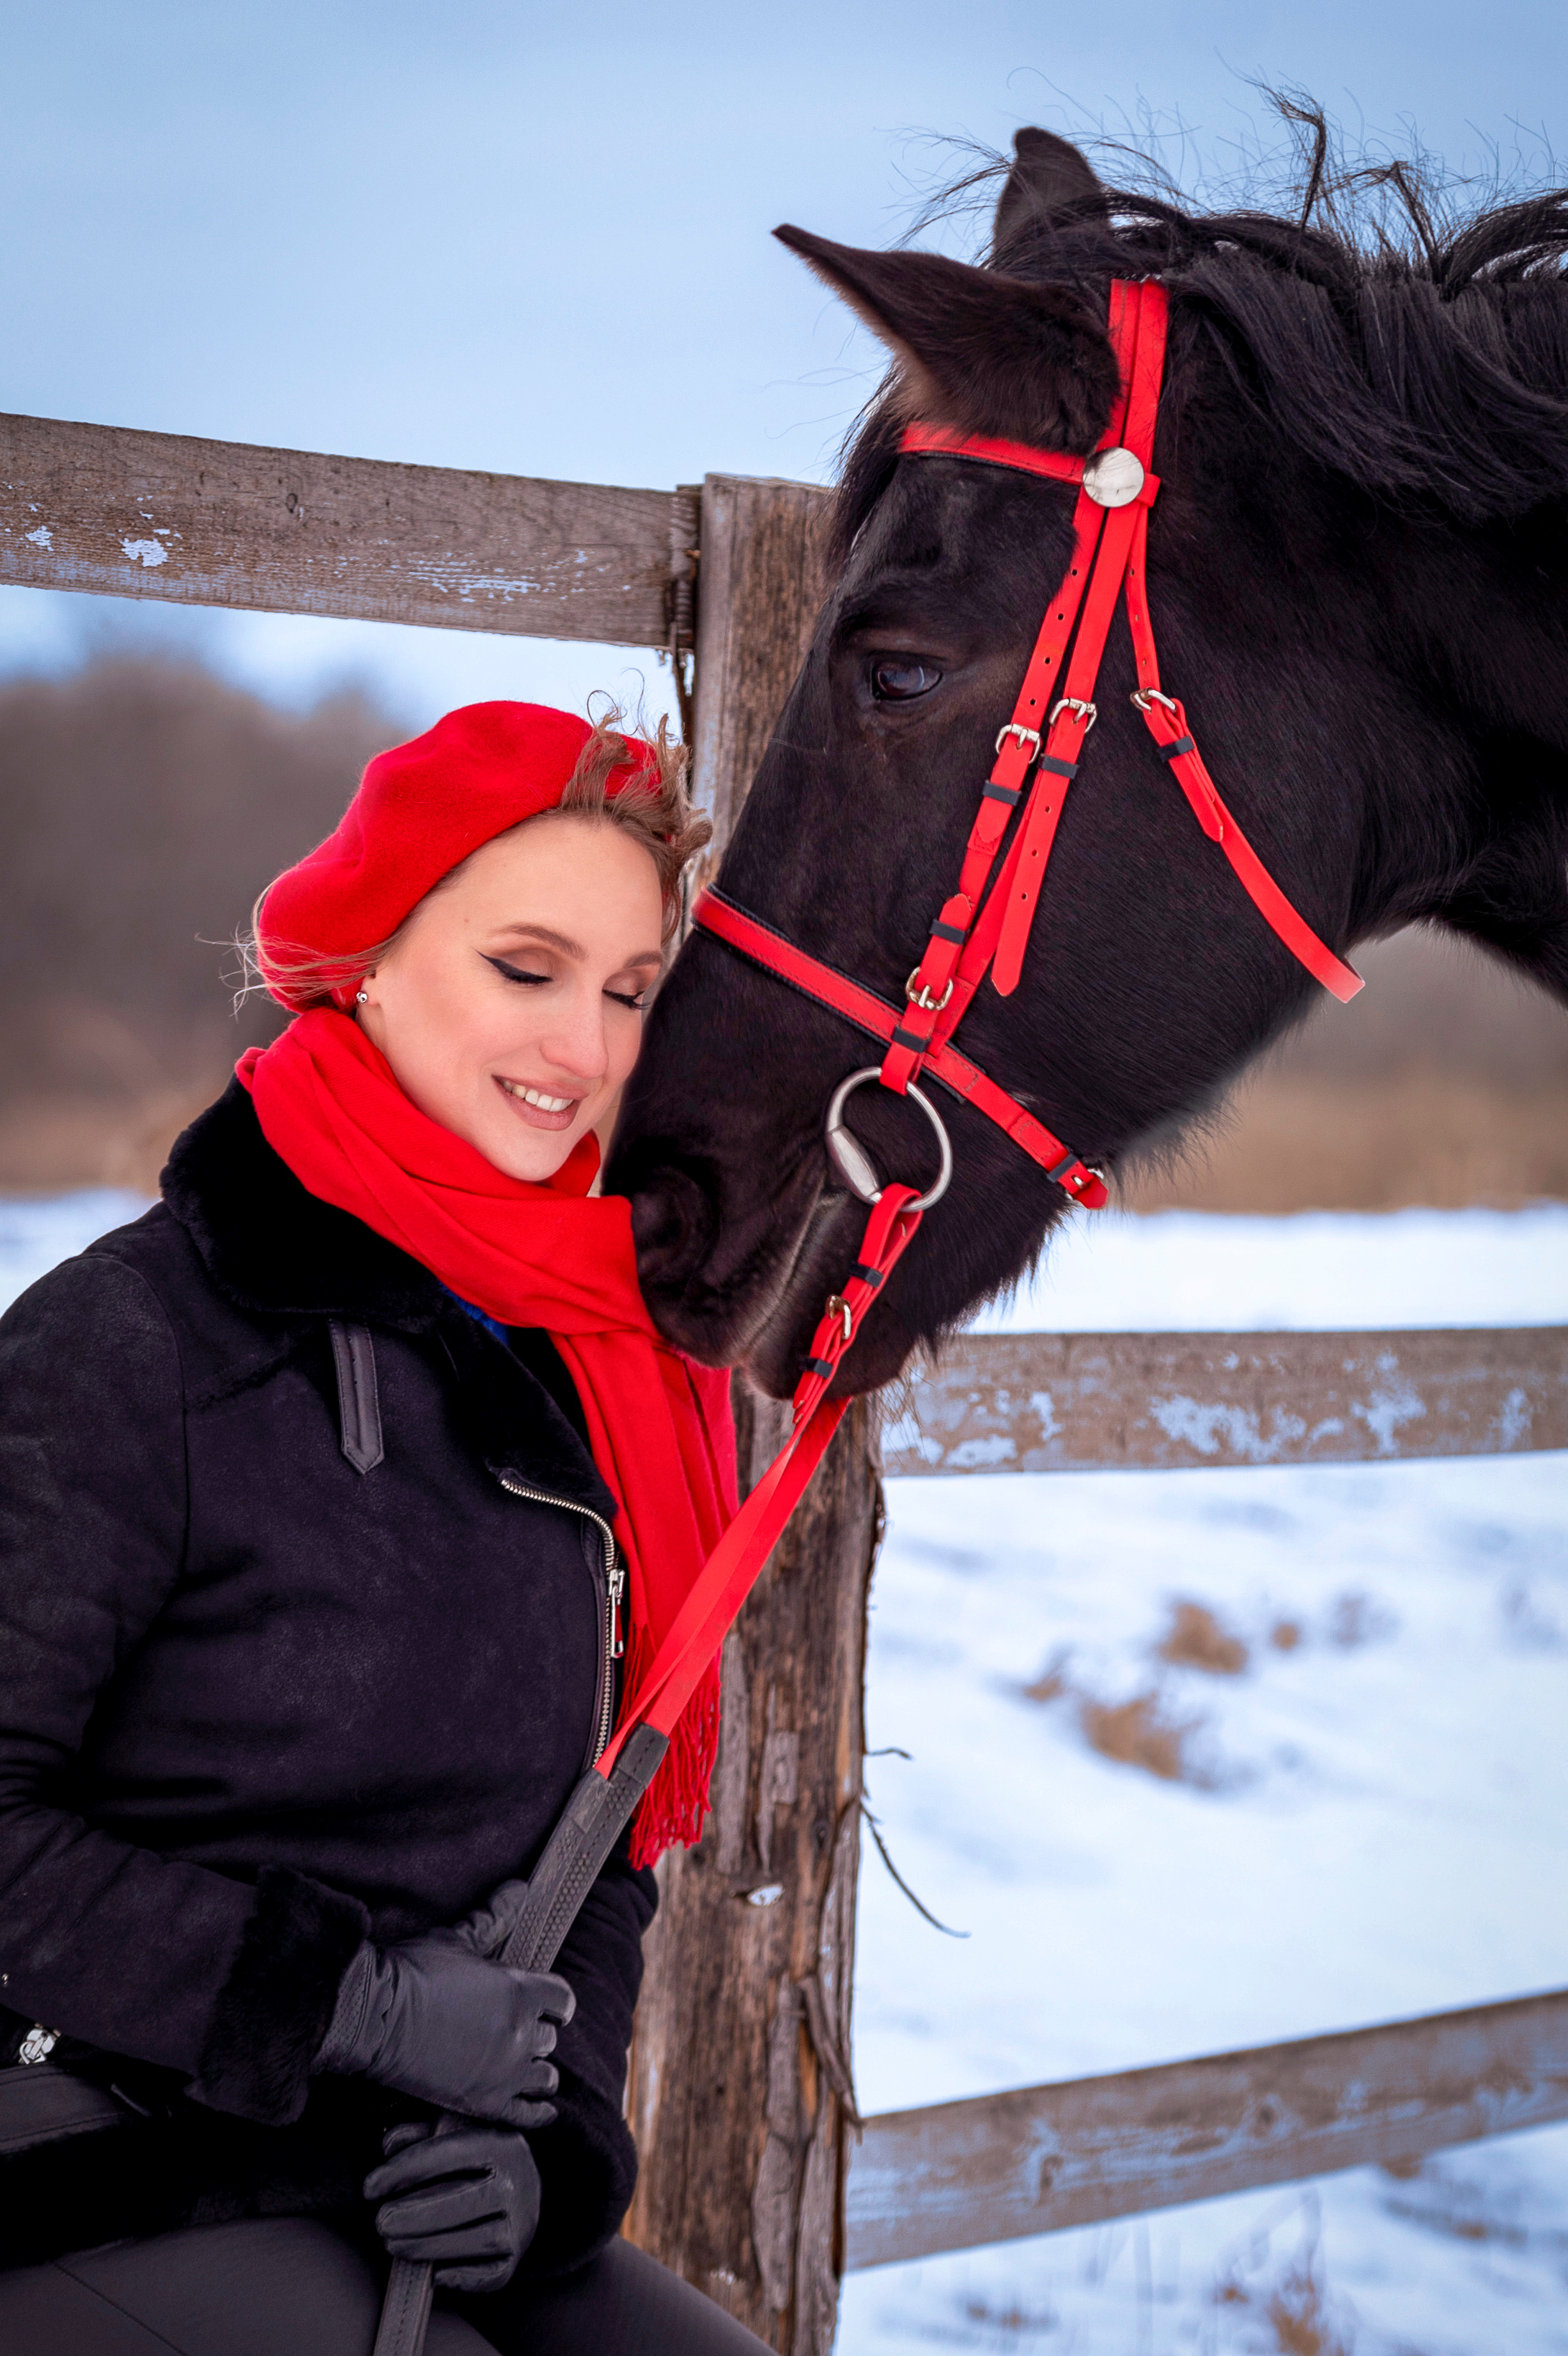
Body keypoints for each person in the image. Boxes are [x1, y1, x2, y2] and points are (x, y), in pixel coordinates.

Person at [0, 702, 768, 2352]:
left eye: (630, 991)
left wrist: (551, 2152)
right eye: (527, 969)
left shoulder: (601, 1363)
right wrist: (352, 2004)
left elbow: (601, 1838)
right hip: (92, 2150)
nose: (588, 1050)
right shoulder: (135, 1344)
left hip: (391, 2166)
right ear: (366, 961)